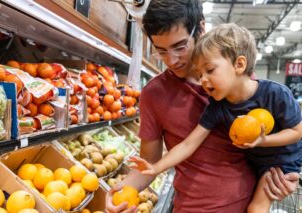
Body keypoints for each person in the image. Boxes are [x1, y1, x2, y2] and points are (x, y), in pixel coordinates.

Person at [105, 1, 300, 212]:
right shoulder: (154, 94)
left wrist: (284, 176)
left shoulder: (238, 82)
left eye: (179, 47)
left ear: (201, 28)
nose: (171, 61)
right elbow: (150, 161)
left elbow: (274, 138)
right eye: (161, 51)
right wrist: (120, 190)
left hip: (246, 204)